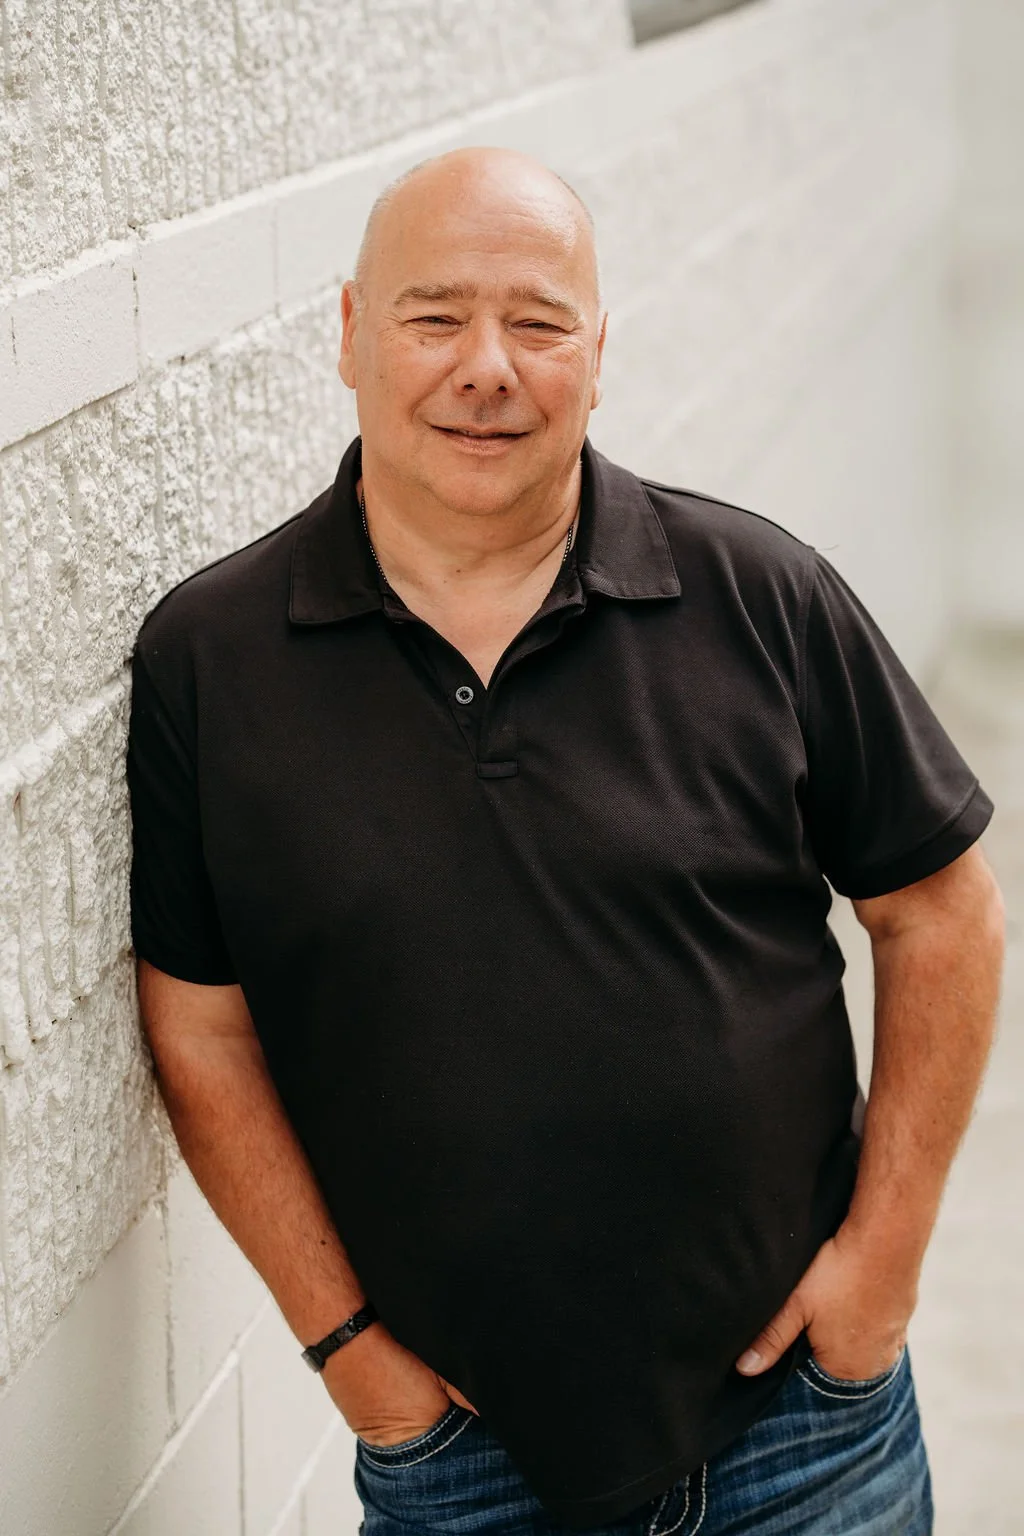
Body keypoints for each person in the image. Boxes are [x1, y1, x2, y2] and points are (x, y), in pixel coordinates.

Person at [125, 146, 1005, 1535]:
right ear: (352, 336)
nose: (488, 366)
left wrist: (880, 1274)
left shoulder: (761, 597)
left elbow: (941, 908)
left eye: (538, 322)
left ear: (598, 353)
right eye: (434, 318)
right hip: (464, 1466)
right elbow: (202, 1024)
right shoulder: (211, 661)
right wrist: (354, 1362)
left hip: (807, 1444)